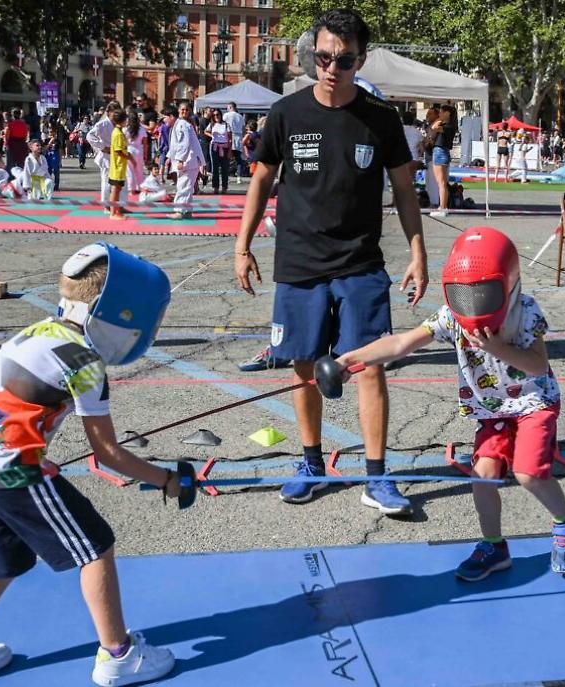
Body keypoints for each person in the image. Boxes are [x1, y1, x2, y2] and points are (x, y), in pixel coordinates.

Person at [0, 243, 184, 687]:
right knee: (96, 546)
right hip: (14, 470)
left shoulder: (40, 331)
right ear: (121, 312)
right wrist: (168, 480)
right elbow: (108, 453)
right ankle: (118, 655)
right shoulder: (84, 360)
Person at [233, 8, 428, 514]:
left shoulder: (381, 119)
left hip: (360, 262)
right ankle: (311, 463)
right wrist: (242, 245)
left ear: (360, 59)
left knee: (369, 367)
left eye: (343, 60)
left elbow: (405, 190)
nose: (331, 68)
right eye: (323, 57)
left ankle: (376, 477)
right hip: (299, 260)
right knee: (302, 365)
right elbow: (260, 180)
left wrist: (417, 252)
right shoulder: (286, 113)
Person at [331, 227, 565, 579]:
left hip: (533, 404)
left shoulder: (525, 312)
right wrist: (350, 360)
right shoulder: (451, 317)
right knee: (482, 478)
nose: (472, 302)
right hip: (493, 410)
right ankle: (494, 547)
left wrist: (498, 348)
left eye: (482, 293)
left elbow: (538, 365)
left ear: (507, 284)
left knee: (528, 473)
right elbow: (401, 344)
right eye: (463, 294)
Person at [168, 101, 205, 220]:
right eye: (182, 109)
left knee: (183, 186)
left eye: (186, 110)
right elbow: (176, 145)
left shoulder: (183, 124)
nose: (184, 111)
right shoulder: (183, 124)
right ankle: (187, 211)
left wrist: (180, 160)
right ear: (178, 111)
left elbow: (184, 144)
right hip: (190, 160)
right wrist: (170, 157)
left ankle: (180, 211)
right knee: (187, 187)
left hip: (187, 161)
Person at [86, 102, 127, 210]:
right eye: (114, 114)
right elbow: (90, 136)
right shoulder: (103, 124)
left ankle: (120, 205)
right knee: (107, 182)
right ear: (108, 113)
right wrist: (102, 147)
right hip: (106, 156)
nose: (115, 117)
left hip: (118, 157)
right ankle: (106, 205)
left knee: (121, 182)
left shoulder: (120, 125)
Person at [429, 104, 456, 217]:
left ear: (447, 113)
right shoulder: (448, 125)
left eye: (441, 112)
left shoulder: (448, 126)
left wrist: (439, 119)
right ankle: (442, 206)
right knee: (442, 183)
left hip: (440, 152)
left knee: (441, 183)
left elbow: (434, 127)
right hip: (441, 152)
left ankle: (443, 208)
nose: (439, 114)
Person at [107, 112, 130, 219]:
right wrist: (129, 157)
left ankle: (116, 211)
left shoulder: (120, 132)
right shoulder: (117, 133)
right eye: (126, 119)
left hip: (120, 167)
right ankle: (113, 212)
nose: (127, 121)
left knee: (118, 189)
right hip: (117, 167)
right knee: (115, 190)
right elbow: (118, 151)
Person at [206, 109, 232, 194]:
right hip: (214, 146)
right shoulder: (212, 124)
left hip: (224, 146)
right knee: (215, 168)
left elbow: (230, 139)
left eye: (217, 115)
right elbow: (205, 131)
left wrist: (229, 150)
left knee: (225, 168)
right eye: (214, 115)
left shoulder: (226, 125)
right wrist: (212, 136)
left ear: (221, 115)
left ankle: (224, 187)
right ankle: (215, 187)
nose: (216, 117)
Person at [222, 101, 245, 183]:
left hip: (229, 136)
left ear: (231, 107)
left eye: (228, 108)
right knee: (238, 158)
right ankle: (239, 176)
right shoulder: (240, 116)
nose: (227, 109)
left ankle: (226, 175)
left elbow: (222, 125)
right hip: (238, 137)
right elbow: (243, 128)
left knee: (227, 157)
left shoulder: (226, 115)